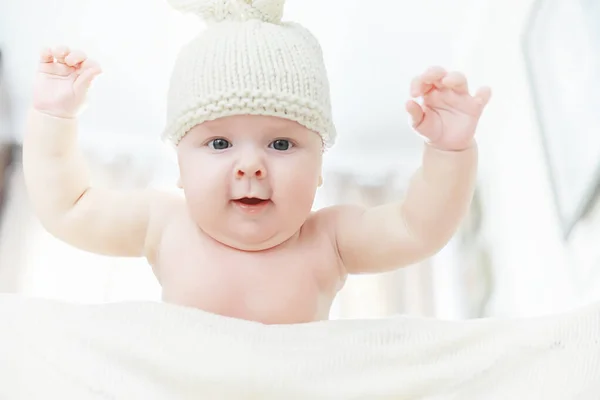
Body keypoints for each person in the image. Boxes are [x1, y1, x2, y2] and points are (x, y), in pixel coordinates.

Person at [23, 0, 491, 325]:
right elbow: (69, 208)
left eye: (282, 145)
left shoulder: (329, 240)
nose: (251, 166)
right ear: (180, 167)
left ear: (321, 168)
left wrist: (449, 152)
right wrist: (52, 118)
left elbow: (417, 228)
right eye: (220, 143)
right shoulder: (164, 223)